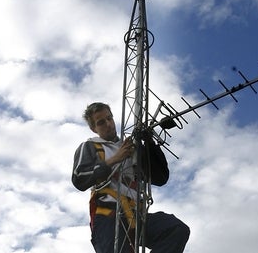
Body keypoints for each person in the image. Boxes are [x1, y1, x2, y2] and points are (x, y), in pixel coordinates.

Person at [72, 102, 189, 253]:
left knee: (176, 229)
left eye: (109, 118)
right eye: (101, 122)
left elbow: (160, 178)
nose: (108, 124)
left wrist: (149, 143)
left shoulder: (130, 148)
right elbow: (79, 178)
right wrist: (115, 158)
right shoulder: (91, 146)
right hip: (108, 215)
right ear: (93, 128)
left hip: (135, 214)